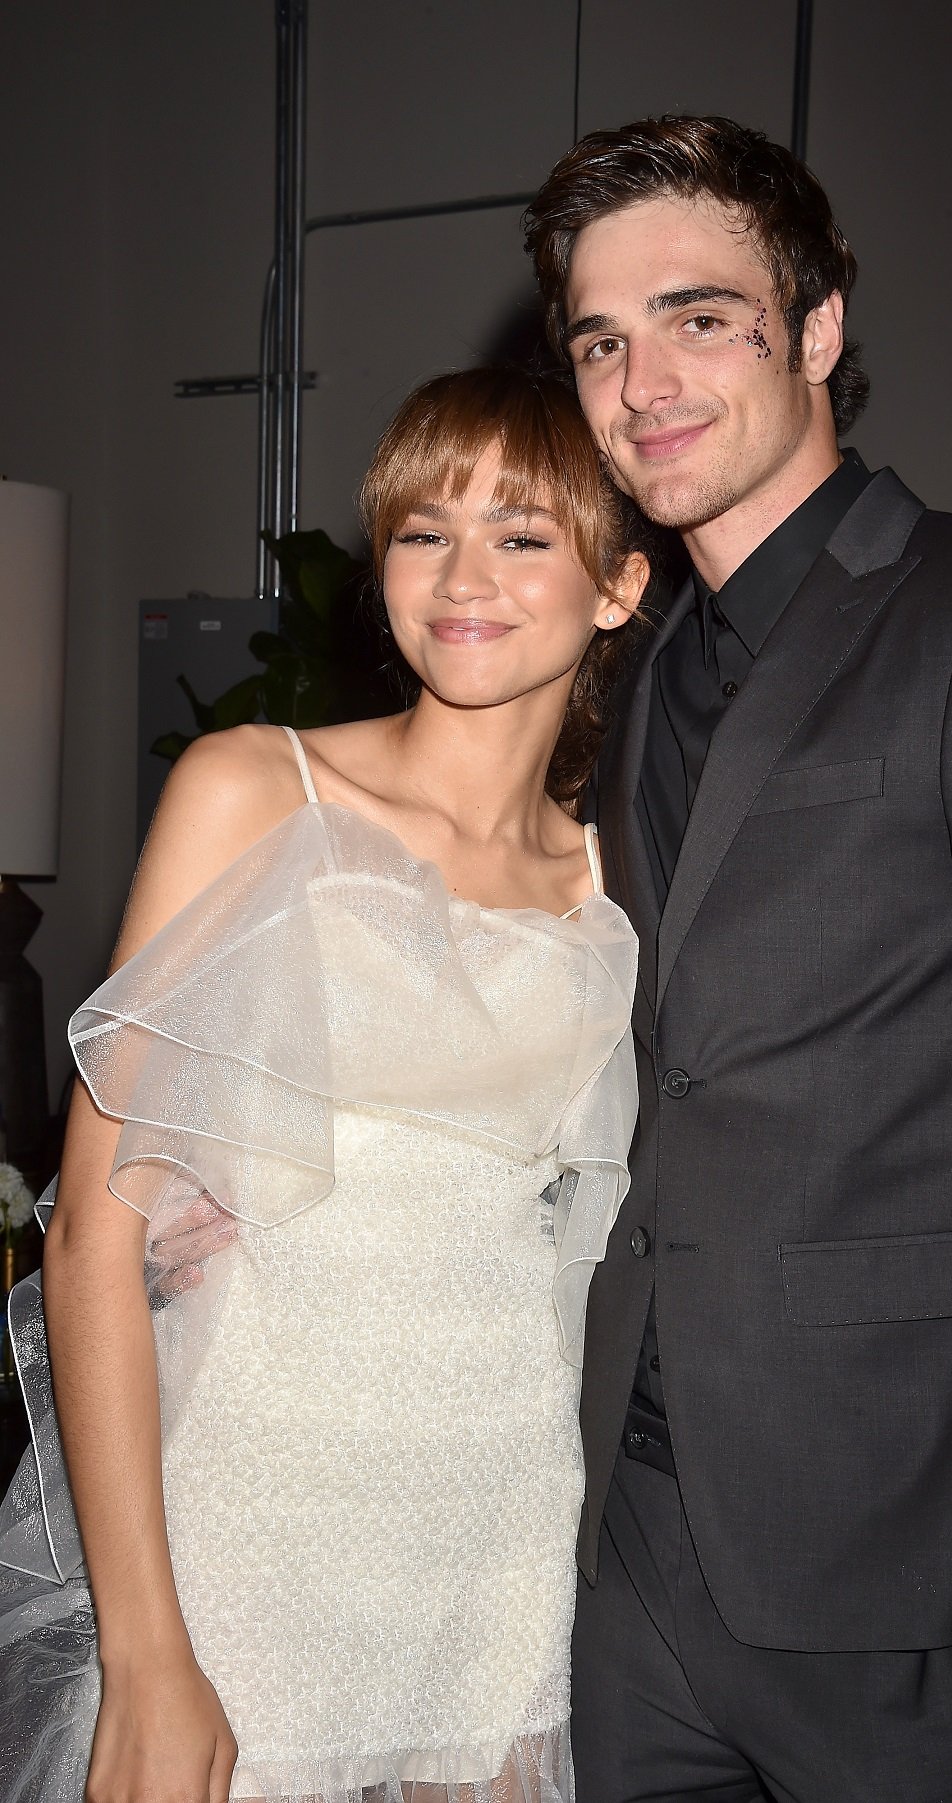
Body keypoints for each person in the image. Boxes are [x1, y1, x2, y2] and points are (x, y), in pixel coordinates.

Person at [518, 116, 952, 1802]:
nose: (642, 381)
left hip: (909, 1602)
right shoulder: (629, 676)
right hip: (637, 1566)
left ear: (819, 327)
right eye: (601, 339)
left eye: (701, 316)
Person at [0, 365, 649, 1802]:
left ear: (619, 585)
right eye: (425, 531)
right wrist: (149, 1651)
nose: (462, 575)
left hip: (497, 1528)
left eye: (524, 534)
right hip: (253, 1517)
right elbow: (92, 1235)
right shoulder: (253, 790)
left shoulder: (617, 877)